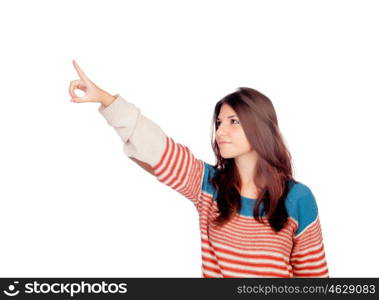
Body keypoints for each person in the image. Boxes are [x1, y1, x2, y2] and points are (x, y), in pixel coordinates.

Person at [68, 60, 329, 278]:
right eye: (218, 122)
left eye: (233, 121)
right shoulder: (208, 185)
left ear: (259, 127)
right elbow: (156, 146)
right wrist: (103, 98)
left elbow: (315, 279)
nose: (220, 131)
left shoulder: (298, 199)